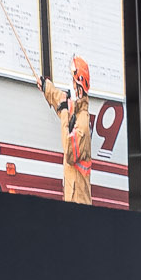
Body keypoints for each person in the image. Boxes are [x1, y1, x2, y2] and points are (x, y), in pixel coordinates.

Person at [41, 55, 97, 202]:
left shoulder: (83, 124)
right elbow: (62, 102)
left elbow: (69, 151)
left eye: (73, 80)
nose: (71, 83)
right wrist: (47, 88)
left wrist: (65, 113)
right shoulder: (78, 110)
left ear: (79, 87)